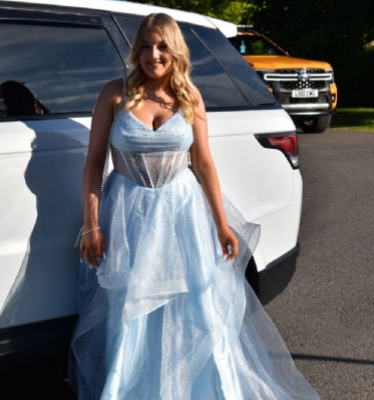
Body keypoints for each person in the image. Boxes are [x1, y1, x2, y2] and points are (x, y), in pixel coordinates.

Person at [68, 13, 320, 400]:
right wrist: (91, 224)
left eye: (162, 46)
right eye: (146, 46)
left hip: (182, 216)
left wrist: (222, 225)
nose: (154, 54)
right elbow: (94, 163)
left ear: (176, 52)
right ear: (136, 51)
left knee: (198, 310)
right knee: (129, 313)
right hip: (128, 218)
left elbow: (203, 163)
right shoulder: (115, 95)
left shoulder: (190, 97)